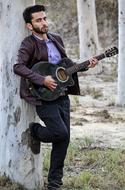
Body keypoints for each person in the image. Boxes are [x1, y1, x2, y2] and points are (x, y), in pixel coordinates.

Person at [13, 4, 98, 190]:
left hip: (62, 94)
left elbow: (64, 67)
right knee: (60, 133)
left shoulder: (56, 39)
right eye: (38, 20)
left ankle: (54, 184)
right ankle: (35, 131)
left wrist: (85, 65)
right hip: (43, 96)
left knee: (64, 139)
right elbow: (18, 67)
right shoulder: (29, 43)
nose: (44, 22)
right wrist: (42, 80)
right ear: (29, 25)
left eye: (44, 18)